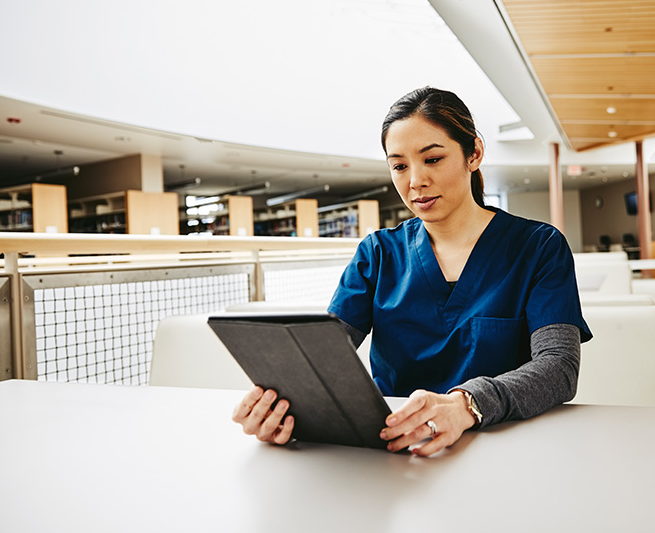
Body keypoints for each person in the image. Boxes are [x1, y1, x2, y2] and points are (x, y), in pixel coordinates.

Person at [232, 87, 592, 456]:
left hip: (502, 446)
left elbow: (558, 368)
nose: (415, 181)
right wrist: (286, 407)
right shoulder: (378, 253)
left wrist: (467, 404)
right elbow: (326, 358)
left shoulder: (538, 247)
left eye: (432, 159)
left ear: (474, 154)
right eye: (400, 166)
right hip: (395, 448)